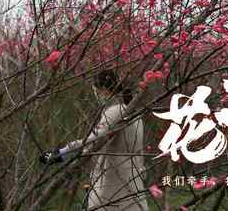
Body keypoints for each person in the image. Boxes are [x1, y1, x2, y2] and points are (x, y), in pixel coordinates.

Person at [40, 70, 148, 211]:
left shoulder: (114, 112)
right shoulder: (135, 113)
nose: (96, 95)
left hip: (113, 178)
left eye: (96, 91)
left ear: (104, 90)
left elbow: (94, 140)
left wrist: (62, 153)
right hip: (132, 176)